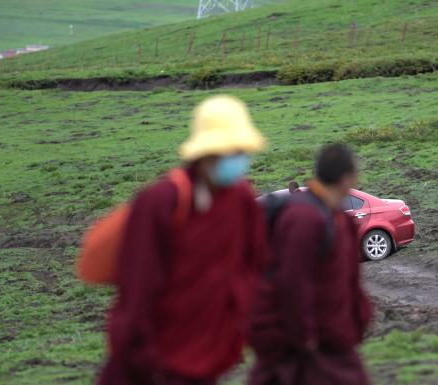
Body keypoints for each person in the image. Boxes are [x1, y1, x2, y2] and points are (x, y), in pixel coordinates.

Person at [98, 95, 268, 385]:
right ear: (205, 153)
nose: (240, 159)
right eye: (232, 151)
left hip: (207, 355)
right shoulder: (160, 202)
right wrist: (143, 358)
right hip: (151, 363)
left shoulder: (241, 201)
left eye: (243, 150)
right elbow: (137, 288)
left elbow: (254, 266)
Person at [248, 143, 373, 385]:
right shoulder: (303, 218)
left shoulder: (339, 219)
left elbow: (348, 281)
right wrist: (304, 336)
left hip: (333, 341)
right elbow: (292, 281)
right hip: (301, 344)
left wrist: (360, 318)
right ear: (347, 178)